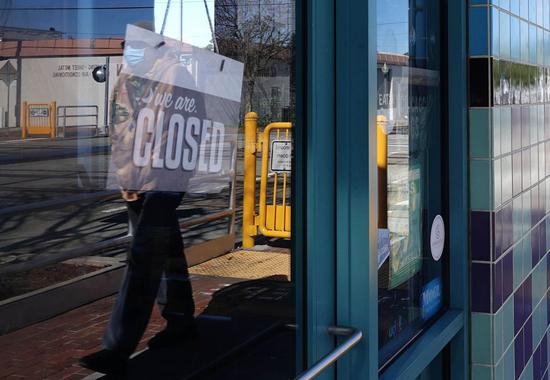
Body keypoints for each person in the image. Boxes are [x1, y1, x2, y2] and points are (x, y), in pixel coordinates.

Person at [79, 21, 196, 377]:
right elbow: (120, 128)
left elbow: (169, 134)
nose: (128, 51)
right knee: (167, 249)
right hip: (133, 179)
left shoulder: (174, 75)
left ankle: (117, 347)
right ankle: (181, 320)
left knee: (143, 258)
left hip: (162, 179)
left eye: (135, 45)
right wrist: (125, 175)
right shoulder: (129, 75)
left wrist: (147, 178)